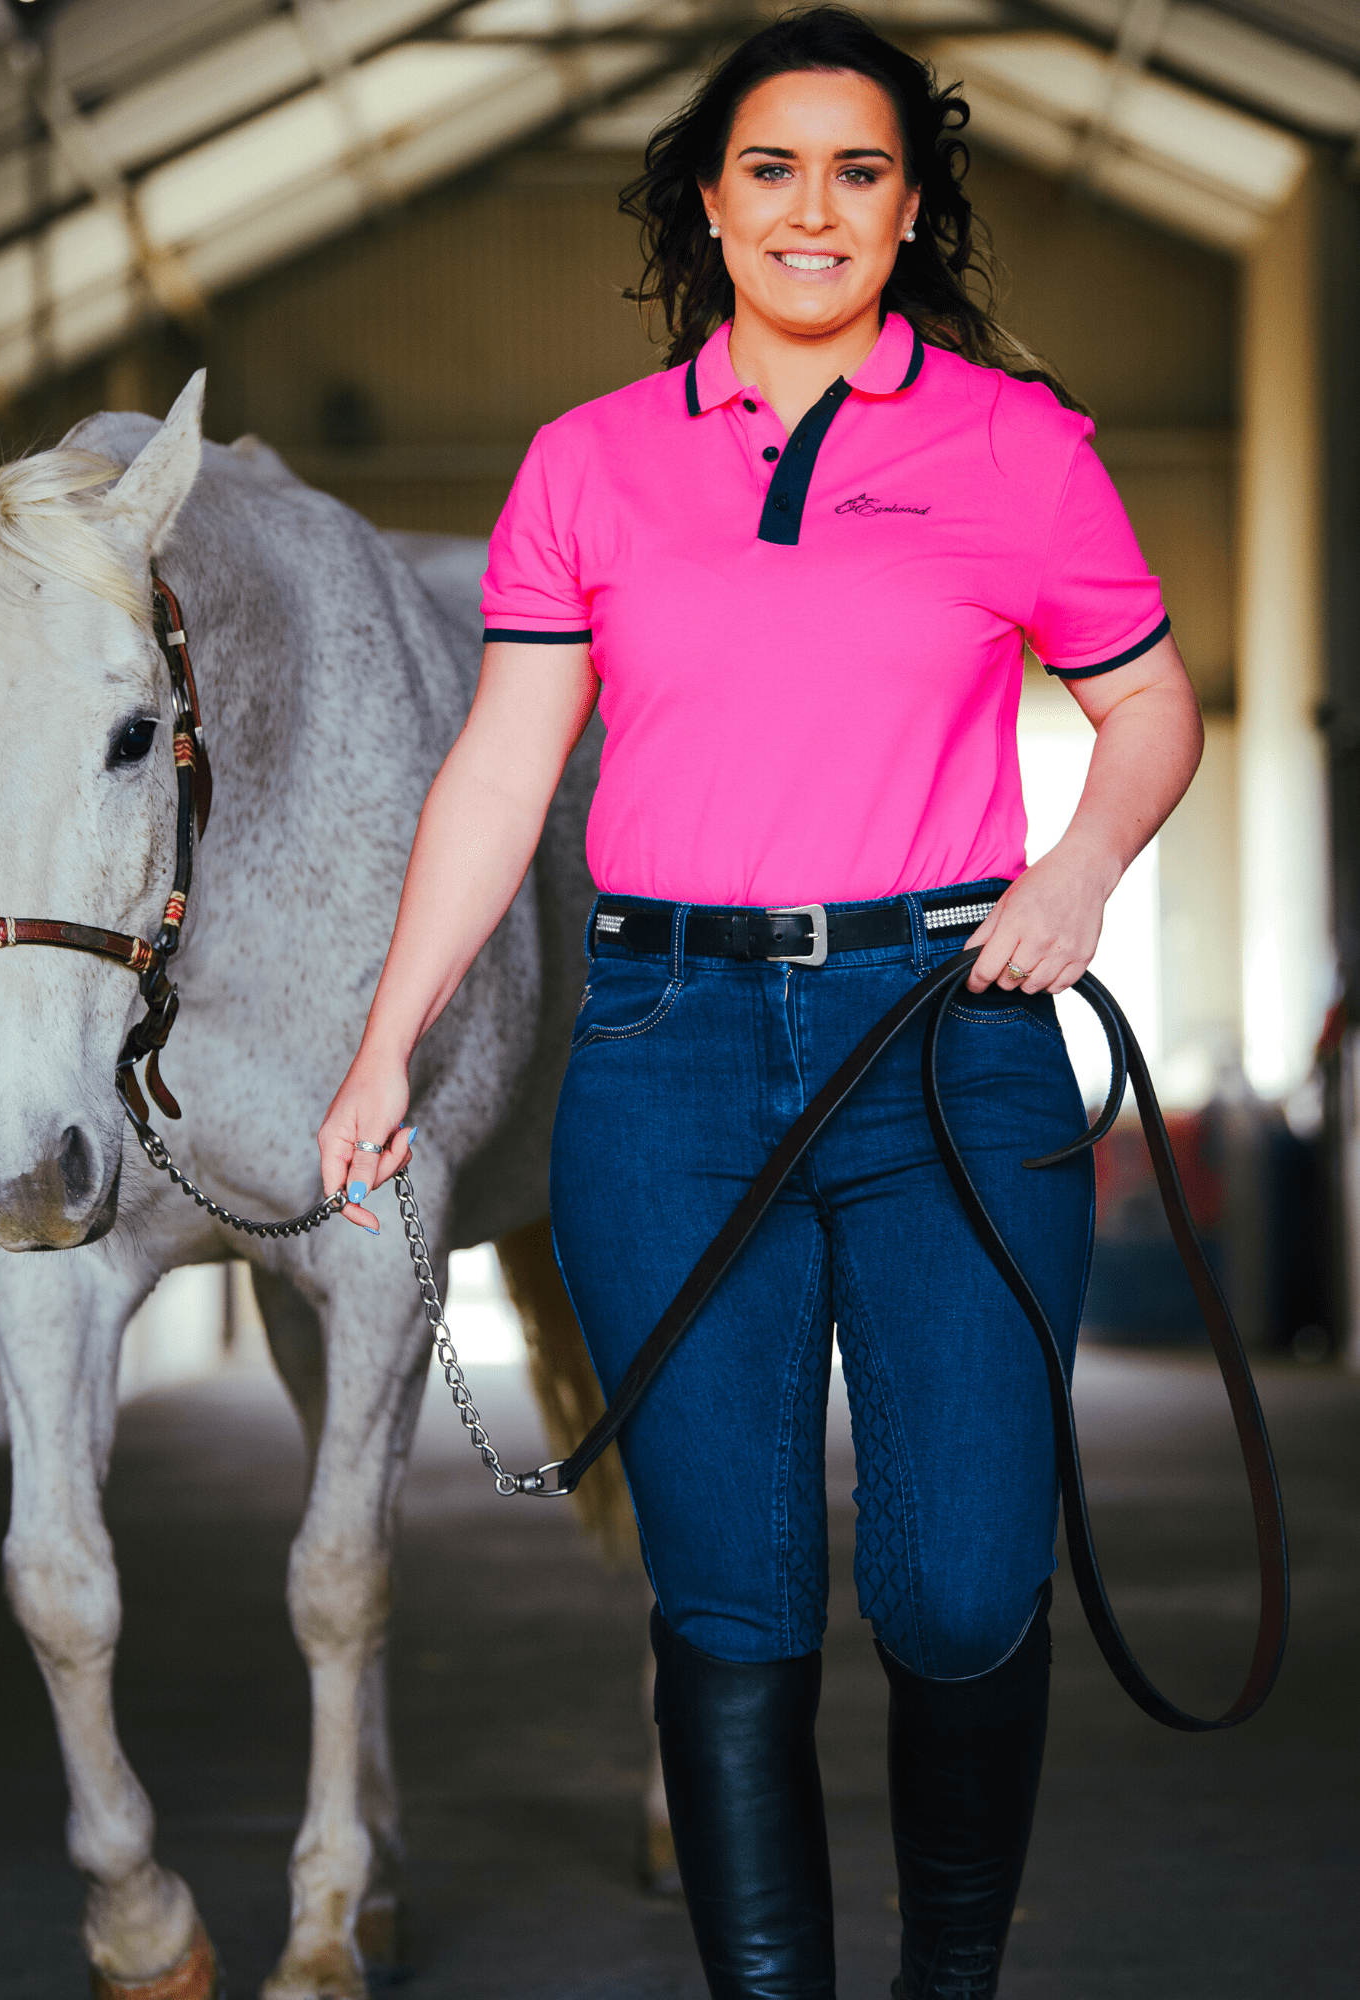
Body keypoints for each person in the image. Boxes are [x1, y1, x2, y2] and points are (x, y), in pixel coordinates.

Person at [317, 9, 1203, 1996]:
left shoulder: (1017, 447)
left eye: (861, 171)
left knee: (967, 1582)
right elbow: (498, 771)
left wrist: (1075, 874)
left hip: (952, 1041)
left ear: (909, 211)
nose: (816, 208)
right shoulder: (589, 468)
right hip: (666, 1060)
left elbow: (1148, 704)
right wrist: (386, 1043)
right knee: (729, 1598)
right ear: (711, 202)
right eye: (776, 168)